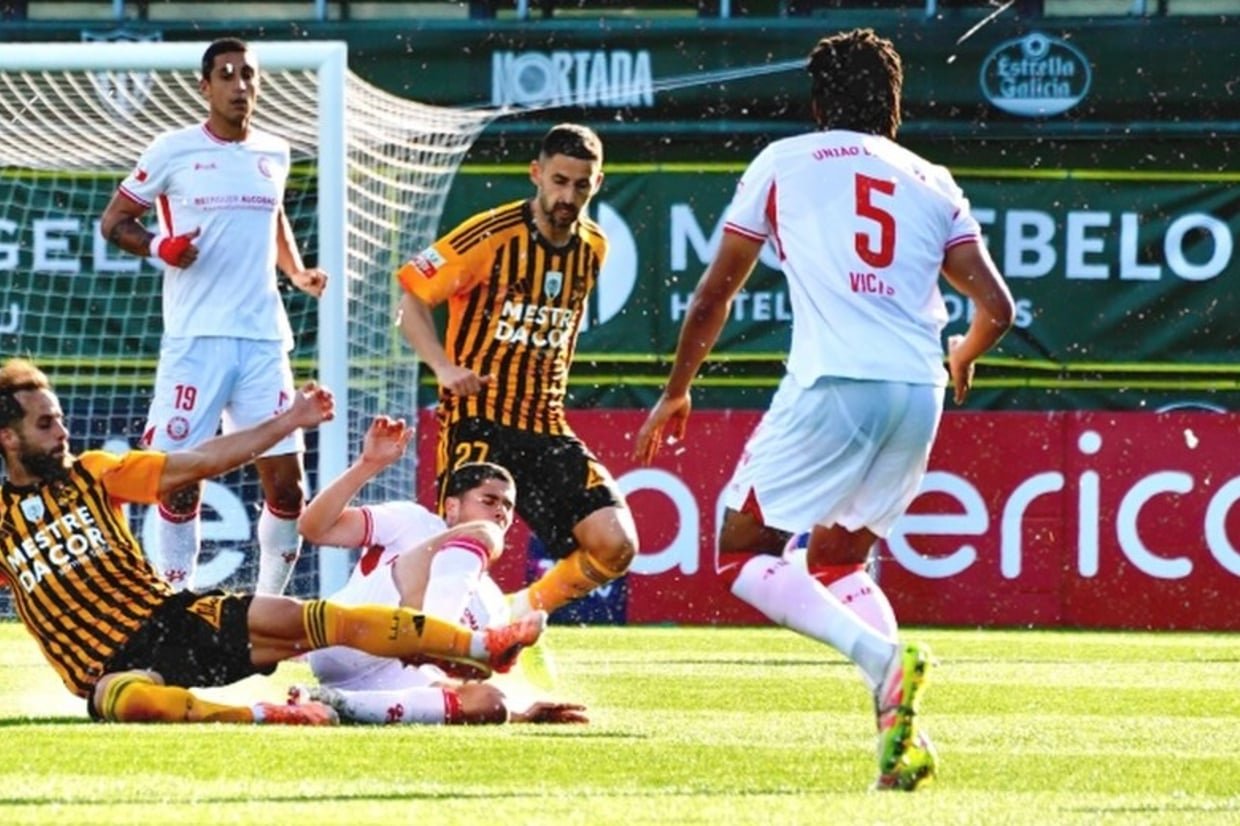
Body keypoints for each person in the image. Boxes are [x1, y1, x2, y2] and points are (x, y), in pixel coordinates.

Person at [634, 28, 1015, 791]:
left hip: (836, 381)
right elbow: (997, 308)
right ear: (895, 105)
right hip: (919, 392)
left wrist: (677, 388)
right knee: (839, 560)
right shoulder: (933, 179)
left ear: (817, 103)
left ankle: (882, 658)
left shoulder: (785, 161)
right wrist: (964, 354)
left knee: (742, 551)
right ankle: (900, 741)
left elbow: (714, 294)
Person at [0, 358, 546, 725]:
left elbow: (204, 460)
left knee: (315, 618)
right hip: (107, 667)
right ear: (8, 437)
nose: (63, 432)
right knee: (123, 698)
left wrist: (290, 421)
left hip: (177, 619)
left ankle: (481, 647)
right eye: (46, 424)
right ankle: (267, 715)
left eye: (60, 419)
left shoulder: (95, 473)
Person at [98, 37, 327, 595]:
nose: (239, 85)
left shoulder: (275, 152)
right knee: (178, 483)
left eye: (247, 74)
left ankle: (267, 605)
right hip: (195, 343)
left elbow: (272, 216)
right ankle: (177, 602)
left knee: (288, 488)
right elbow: (114, 222)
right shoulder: (172, 150)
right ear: (205, 87)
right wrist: (161, 247)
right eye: (226, 75)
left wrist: (296, 271)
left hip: (263, 341)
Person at [395, 123, 638, 622]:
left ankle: (513, 615)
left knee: (616, 545)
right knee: (463, 548)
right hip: (478, 420)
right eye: (559, 181)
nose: (568, 196)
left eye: (581, 185)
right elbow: (411, 302)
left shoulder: (595, 247)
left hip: (546, 425)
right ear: (536, 174)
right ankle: (426, 640)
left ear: (597, 183)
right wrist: (442, 366)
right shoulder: (490, 235)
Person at [293, 416, 588, 726]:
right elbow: (313, 528)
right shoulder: (413, 520)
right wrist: (367, 465)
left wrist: (522, 714)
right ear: (452, 507)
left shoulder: (493, 602)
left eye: (508, 506)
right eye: (489, 500)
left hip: (391, 677)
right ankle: (434, 638)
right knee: (482, 534)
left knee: (492, 703)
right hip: (349, 637)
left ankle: (334, 704)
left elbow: (457, 679)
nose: (501, 511)